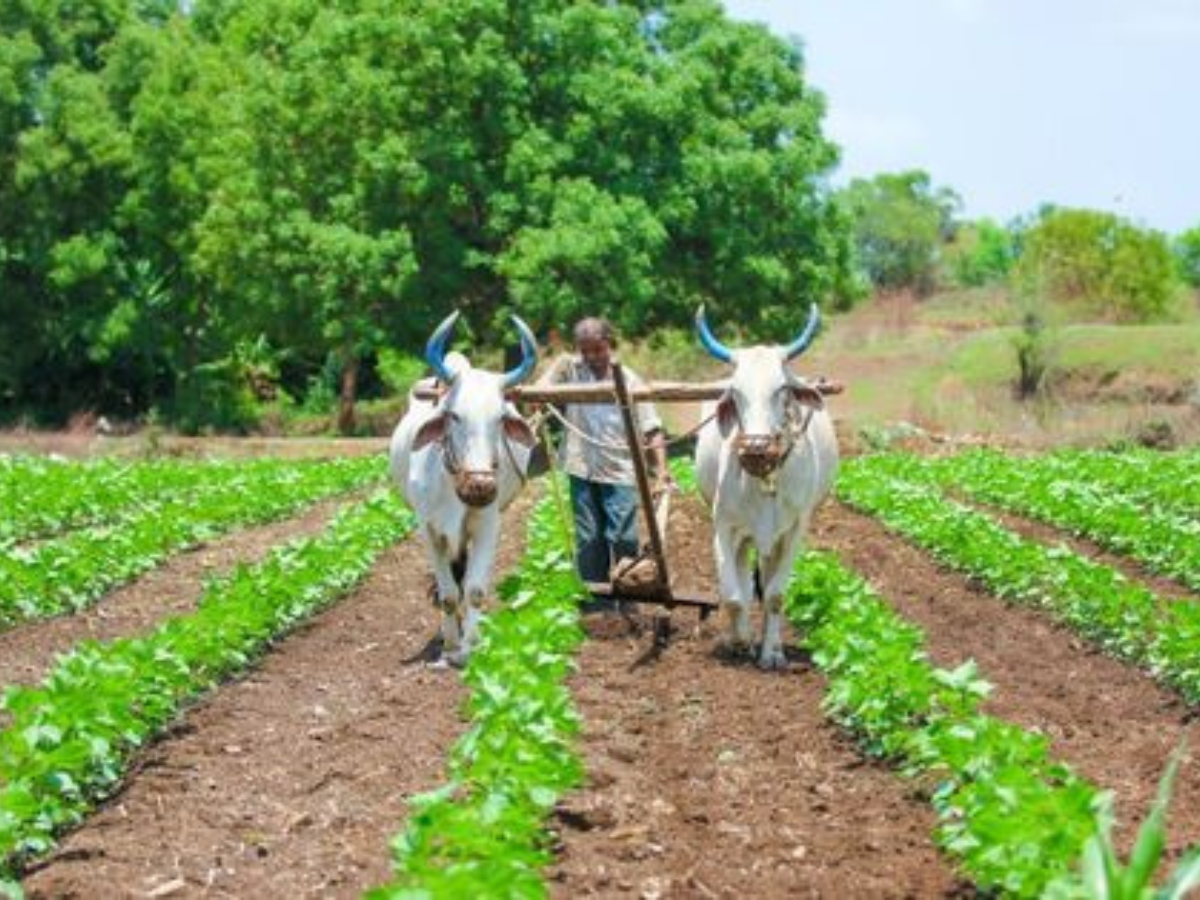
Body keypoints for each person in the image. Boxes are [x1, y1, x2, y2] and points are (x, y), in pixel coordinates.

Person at [537, 317, 671, 584]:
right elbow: (540, 392)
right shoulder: (570, 370)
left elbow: (651, 428)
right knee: (589, 538)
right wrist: (559, 362)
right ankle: (595, 602)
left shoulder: (629, 380)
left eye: (597, 349)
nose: (591, 356)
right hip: (581, 467)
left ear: (609, 344)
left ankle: (627, 590)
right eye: (584, 350)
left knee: (624, 537)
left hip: (619, 469)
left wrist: (661, 471)